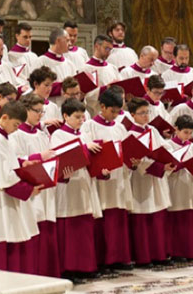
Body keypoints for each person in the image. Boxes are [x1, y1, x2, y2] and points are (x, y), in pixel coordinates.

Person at [0, 101, 46, 274]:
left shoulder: (0, 136)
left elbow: (5, 161)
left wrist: (22, 162)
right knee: (5, 240)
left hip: (1, 198)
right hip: (0, 201)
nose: (16, 129)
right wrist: (28, 190)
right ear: (4, 117)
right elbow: (5, 177)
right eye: (15, 125)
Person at [80, 90, 134, 271]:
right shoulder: (89, 126)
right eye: (112, 111)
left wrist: (133, 161)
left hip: (118, 178)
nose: (115, 115)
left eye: (118, 111)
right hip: (100, 180)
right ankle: (103, 260)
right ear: (102, 107)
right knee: (102, 218)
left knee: (117, 217)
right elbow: (86, 152)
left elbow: (127, 150)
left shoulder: (120, 127)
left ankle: (119, 258)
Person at [51, 99, 103, 281]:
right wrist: (85, 148)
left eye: (83, 117)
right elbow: (58, 156)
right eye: (77, 117)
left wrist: (102, 169)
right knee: (69, 230)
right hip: (68, 185)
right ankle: (69, 268)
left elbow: (92, 160)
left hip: (84, 184)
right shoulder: (58, 135)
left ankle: (86, 266)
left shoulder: (84, 134)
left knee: (84, 228)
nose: (81, 120)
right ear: (65, 116)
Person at [9, 95, 60, 277]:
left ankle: (47, 273)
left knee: (46, 229)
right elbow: (14, 161)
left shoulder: (42, 134)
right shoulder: (15, 135)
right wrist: (39, 157)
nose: (40, 115)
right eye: (36, 111)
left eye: (42, 111)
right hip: (30, 190)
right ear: (25, 110)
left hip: (45, 188)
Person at [125, 97, 176, 266]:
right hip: (142, 180)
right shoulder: (130, 135)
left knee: (158, 217)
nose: (146, 116)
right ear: (132, 115)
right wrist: (157, 165)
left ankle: (160, 254)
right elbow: (137, 160)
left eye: (147, 112)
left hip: (157, 178)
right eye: (141, 113)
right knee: (143, 219)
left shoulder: (153, 130)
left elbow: (166, 147)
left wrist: (166, 160)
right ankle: (144, 257)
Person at [165, 115, 193, 261]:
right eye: (185, 132)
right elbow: (166, 168)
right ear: (176, 129)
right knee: (177, 220)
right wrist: (177, 165)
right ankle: (177, 252)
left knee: (191, 220)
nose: (188, 136)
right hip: (175, 185)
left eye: (190, 133)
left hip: (191, 186)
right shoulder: (168, 146)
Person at [33, 28, 79, 102]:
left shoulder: (70, 64)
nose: (70, 44)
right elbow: (36, 87)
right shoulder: (41, 61)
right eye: (67, 40)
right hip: (47, 105)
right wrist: (64, 87)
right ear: (58, 41)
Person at [81, 35, 121, 116]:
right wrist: (106, 88)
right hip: (94, 112)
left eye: (110, 49)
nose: (108, 52)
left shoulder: (112, 68)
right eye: (106, 48)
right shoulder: (85, 69)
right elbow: (85, 95)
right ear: (97, 46)